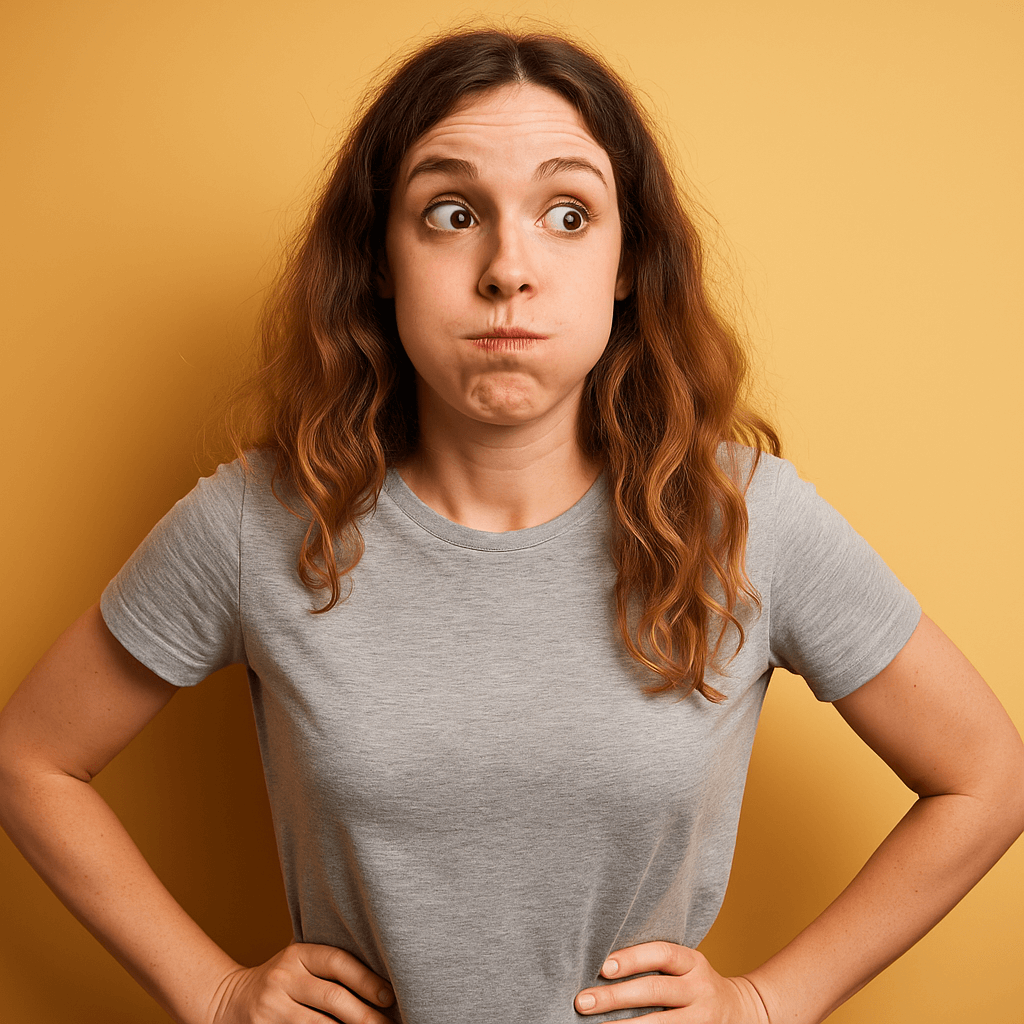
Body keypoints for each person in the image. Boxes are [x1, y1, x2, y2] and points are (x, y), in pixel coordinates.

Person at [0, 27, 1021, 1024]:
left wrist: (767, 1001)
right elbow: (31, 758)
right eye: (450, 213)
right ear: (379, 259)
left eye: (567, 215)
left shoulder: (742, 517)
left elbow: (987, 776)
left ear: (628, 262)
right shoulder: (257, 520)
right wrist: (215, 992)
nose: (507, 268)